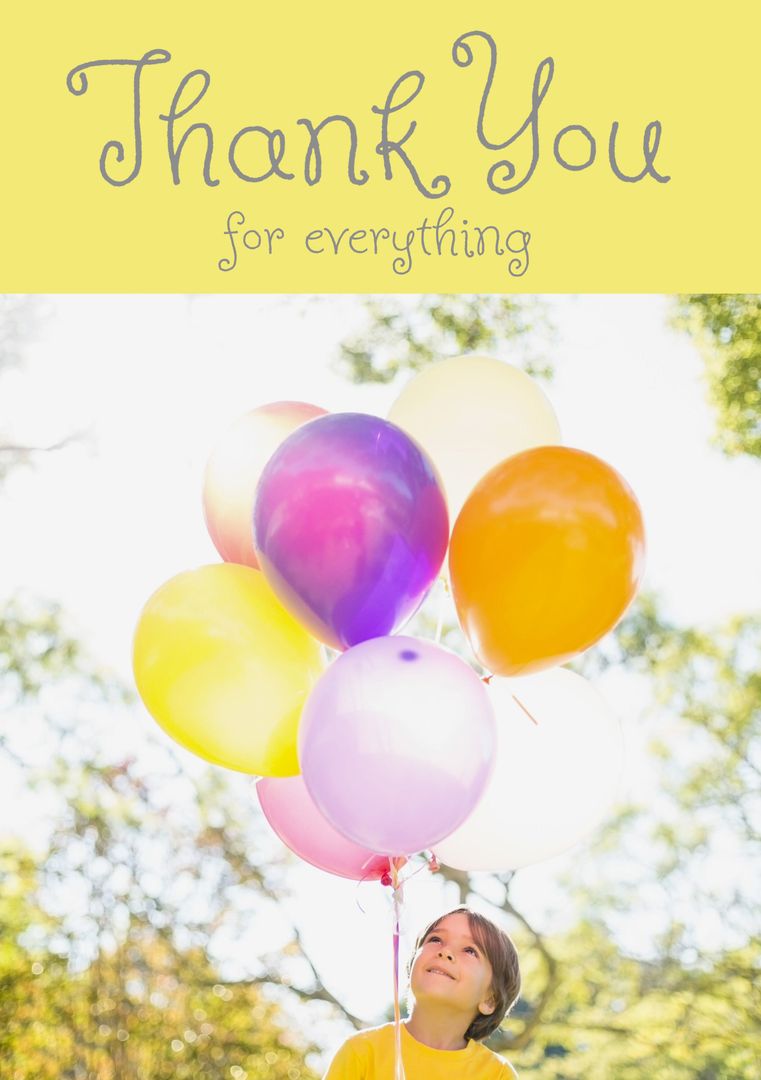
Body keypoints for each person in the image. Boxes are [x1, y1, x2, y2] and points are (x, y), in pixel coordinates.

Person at [323, 906, 521, 1078]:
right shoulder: (361, 1051)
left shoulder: (497, 1074)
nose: (445, 952)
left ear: (490, 999)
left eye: (470, 950)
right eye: (435, 939)